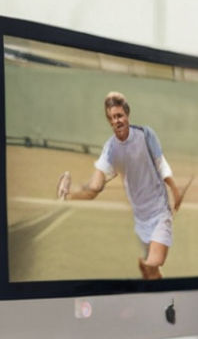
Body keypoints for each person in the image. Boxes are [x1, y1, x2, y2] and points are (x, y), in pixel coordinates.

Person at [59, 92, 182, 280]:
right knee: (152, 273)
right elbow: (94, 189)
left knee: (153, 263)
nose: (116, 121)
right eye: (111, 118)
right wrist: (71, 195)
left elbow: (161, 163)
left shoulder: (145, 134)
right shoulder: (110, 149)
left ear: (127, 115)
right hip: (140, 219)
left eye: (119, 116)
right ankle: (156, 298)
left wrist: (174, 189)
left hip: (159, 213)